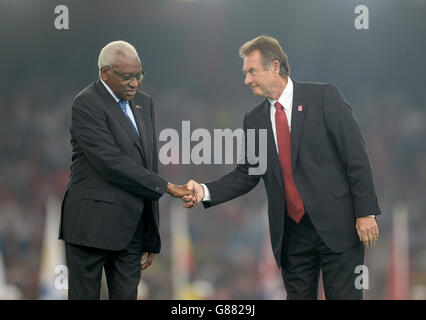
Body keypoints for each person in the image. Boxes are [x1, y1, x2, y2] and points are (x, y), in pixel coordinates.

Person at [183, 35, 380, 300]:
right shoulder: (254, 119)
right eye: (245, 73)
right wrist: (203, 191)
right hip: (292, 235)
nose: (246, 80)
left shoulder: (323, 96)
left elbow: (355, 155)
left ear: (275, 67)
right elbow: (246, 175)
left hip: (339, 226)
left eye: (252, 71)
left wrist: (366, 212)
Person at [59, 41, 193, 300]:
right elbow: (111, 161)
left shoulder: (144, 103)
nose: (135, 83)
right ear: (104, 72)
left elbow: (148, 161)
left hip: (131, 230)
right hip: (90, 226)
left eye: (138, 75)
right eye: (127, 76)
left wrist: (150, 234)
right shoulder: (86, 103)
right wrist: (166, 186)